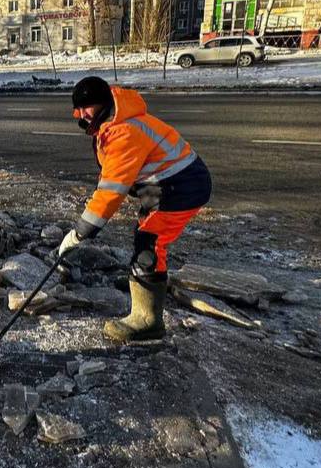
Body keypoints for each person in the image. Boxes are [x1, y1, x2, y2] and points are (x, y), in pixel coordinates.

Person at [57, 75, 212, 343]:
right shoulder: (111, 120)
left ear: (103, 103)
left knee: (150, 243)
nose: (82, 115)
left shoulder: (124, 131)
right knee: (144, 231)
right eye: (78, 110)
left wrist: (80, 233)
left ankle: (148, 320)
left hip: (182, 185)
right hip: (162, 183)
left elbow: (111, 191)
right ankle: (141, 284)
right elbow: (112, 176)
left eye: (87, 108)